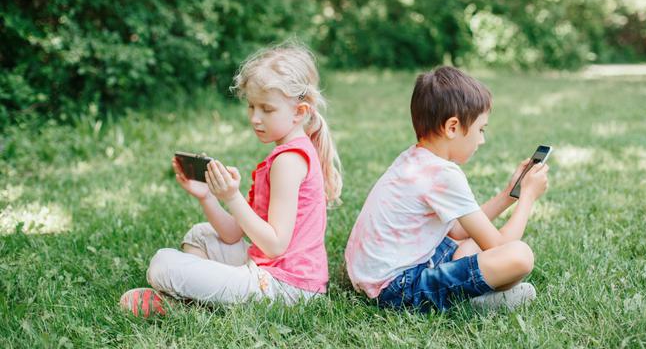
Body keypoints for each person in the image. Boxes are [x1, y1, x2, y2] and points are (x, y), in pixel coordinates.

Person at [120, 44, 342, 317]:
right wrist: (208, 196)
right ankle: (197, 297)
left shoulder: (288, 162)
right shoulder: (283, 155)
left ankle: (186, 305)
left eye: (267, 109)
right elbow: (233, 234)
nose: (255, 118)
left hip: (287, 289)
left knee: (162, 264)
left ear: (299, 111)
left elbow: (275, 245)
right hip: (268, 271)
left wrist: (233, 198)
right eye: (251, 106)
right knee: (200, 234)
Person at [344, 66, 549, 312]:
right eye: (480, 129)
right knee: (519, 256)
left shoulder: (415, 159)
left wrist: (509, 195)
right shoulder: (442, 174)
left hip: (377, 276)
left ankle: (470, 293)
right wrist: (527, 197)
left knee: (469, 244)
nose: (482, 140)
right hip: (396, 289)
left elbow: (460, 230)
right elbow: (499, 246)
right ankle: (471, 303)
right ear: (452, 127)